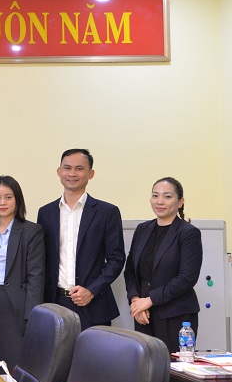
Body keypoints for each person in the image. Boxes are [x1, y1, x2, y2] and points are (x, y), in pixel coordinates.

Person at [37, 148, 125, 330]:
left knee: (94, 350)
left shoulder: (107, 212)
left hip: (93, 303)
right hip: (55, 303)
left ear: (90, 174)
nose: (72, 173)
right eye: (67, 168)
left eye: (79, 168)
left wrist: (92, 290)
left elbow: (116, 259)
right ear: (59, 171)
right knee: (57, 350)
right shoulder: (46, 213)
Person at [124, 177, 202, 352]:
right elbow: (130, 271)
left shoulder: (188, 233)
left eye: (167, 196)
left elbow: (187, 278)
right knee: (146, 365)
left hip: (176, 315)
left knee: (173, 366)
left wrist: (149, 300)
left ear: (180, 202)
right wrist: (136, 301)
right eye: (155, 195)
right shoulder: (142, 229)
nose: (159, 201)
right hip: (143, 314)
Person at [0, 176, 45, 373]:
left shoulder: (31, 231)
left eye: (8, 197)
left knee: (19, 363)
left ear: (17, 199)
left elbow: (36, 276)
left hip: (19, 305)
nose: (2, 202)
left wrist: (32, 315)